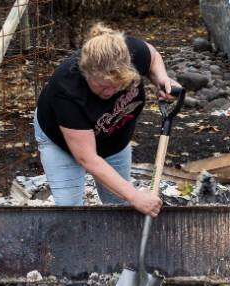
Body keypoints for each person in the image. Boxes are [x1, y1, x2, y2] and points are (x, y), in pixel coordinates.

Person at [34, 23, 179, 215]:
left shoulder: (129, 52)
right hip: (62, 142)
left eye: (117, 85)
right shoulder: (67, 90)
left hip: (113, 137)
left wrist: (162, 78)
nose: (110, 92)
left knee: (119, 203)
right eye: (102, 86)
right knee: (69, 210)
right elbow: (87, 158)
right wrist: (135, 196)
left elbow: (152, 57)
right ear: (86, 73)